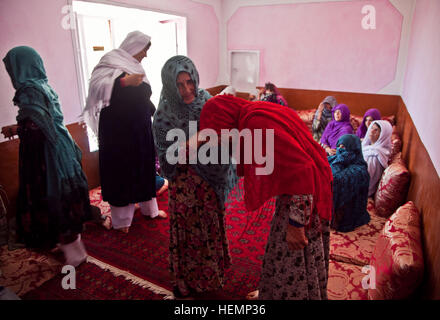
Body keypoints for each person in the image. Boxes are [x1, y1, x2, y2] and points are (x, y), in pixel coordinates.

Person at [199, 95, 333, 300]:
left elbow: (303, 170)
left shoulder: (255, 123)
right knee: (279, 252)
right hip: (300, 192)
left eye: (220, 133)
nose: (224, 141)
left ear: (226, 122)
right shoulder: (256, 111)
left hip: (303, 196)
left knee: (292, 259)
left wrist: (296, 224)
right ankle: (269, 291)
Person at [152, 55, 237, 298]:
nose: (187, 89)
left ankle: (212, 271)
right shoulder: (164, 114)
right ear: (170, 84)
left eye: (189, 81)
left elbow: (224, 131)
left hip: (209, 180)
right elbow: (168, 156)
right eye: (179, 84)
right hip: (185, 183)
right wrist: (198, 139)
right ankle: (185, 278)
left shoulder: (206, 99)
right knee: (190, 233)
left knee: (210, 226)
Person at [2, 46, 91, 267]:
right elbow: (44, 120)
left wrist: (17, 129)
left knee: (55, 197)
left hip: (48, 154)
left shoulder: (28, 90)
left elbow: (38, 127)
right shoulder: (43, 85)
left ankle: (75, 255)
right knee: (62, 195)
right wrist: (20, 126)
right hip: (60, 145)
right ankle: (69, 246)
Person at [82, 31, 166, 234]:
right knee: (122, 172)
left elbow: (142, 96)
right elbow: (97, 89)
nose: (145, 55)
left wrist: (157, 112)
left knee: (144, 168)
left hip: (140, 129)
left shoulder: (135, 66)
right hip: (118, 133)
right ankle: (122, 222)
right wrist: (122, 83)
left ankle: (150, 210)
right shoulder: (110, 62)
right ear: (134, 47)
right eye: (144, 50)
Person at [328, 134, 370, 232]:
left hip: (346, 213)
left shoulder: (359, 169)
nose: (340, 149)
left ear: (354, 148)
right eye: (338, 146)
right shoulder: (335, 159)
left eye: (344, 147)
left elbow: (335, 179)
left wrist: (339, 162)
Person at [362, 120, 393, 197]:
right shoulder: (369, 148)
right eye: (371, 128)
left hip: (361, 189)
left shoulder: (375, 155)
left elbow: (365, 177)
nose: (371, 131)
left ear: (383, 135)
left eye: (376, 130)